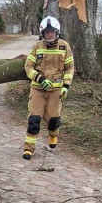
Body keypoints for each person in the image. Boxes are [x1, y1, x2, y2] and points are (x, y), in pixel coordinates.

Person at [22, 16, 74, 160]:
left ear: (57, 32)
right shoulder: (37, 47)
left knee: (53, 121)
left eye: (51, 32)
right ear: (42, 33)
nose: (49, 35)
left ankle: (53, 135)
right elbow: (28, 67)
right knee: (34, 120)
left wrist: (66, 86)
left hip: (56, 91)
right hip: (38, 89)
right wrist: (39, 78)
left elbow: (69, 68)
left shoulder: (65, 47)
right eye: (46, 32)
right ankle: (28, 149)